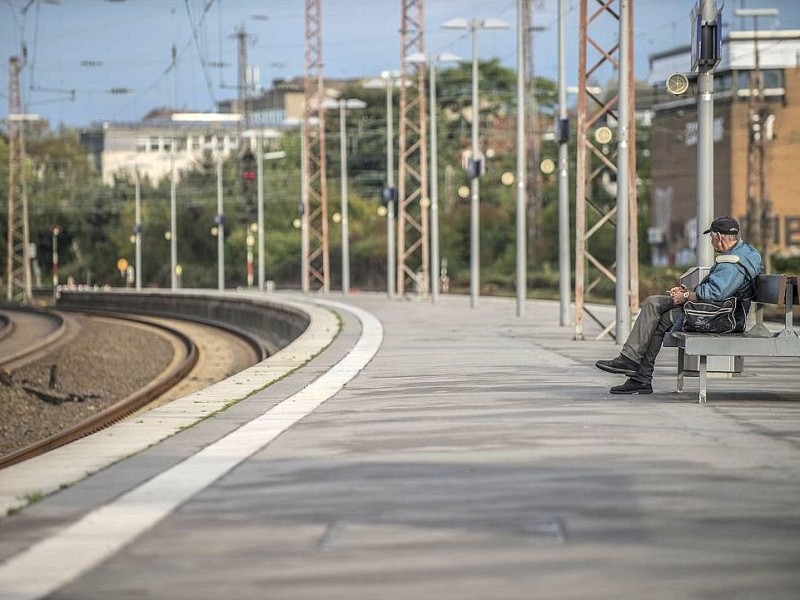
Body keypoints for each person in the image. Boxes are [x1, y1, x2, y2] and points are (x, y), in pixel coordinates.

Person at [595, 216, 763, 394]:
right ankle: (630, 360)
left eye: (711, 237)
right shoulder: (741, 253)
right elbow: (718, 288)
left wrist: (685, 296)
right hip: (716, 310)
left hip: (723, 317)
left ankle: (640, 377)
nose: (711, 241)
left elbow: (716, 293)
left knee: (662, 320)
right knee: (653, 302)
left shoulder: (733, 262)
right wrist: (688, 291)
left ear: (719, 237)